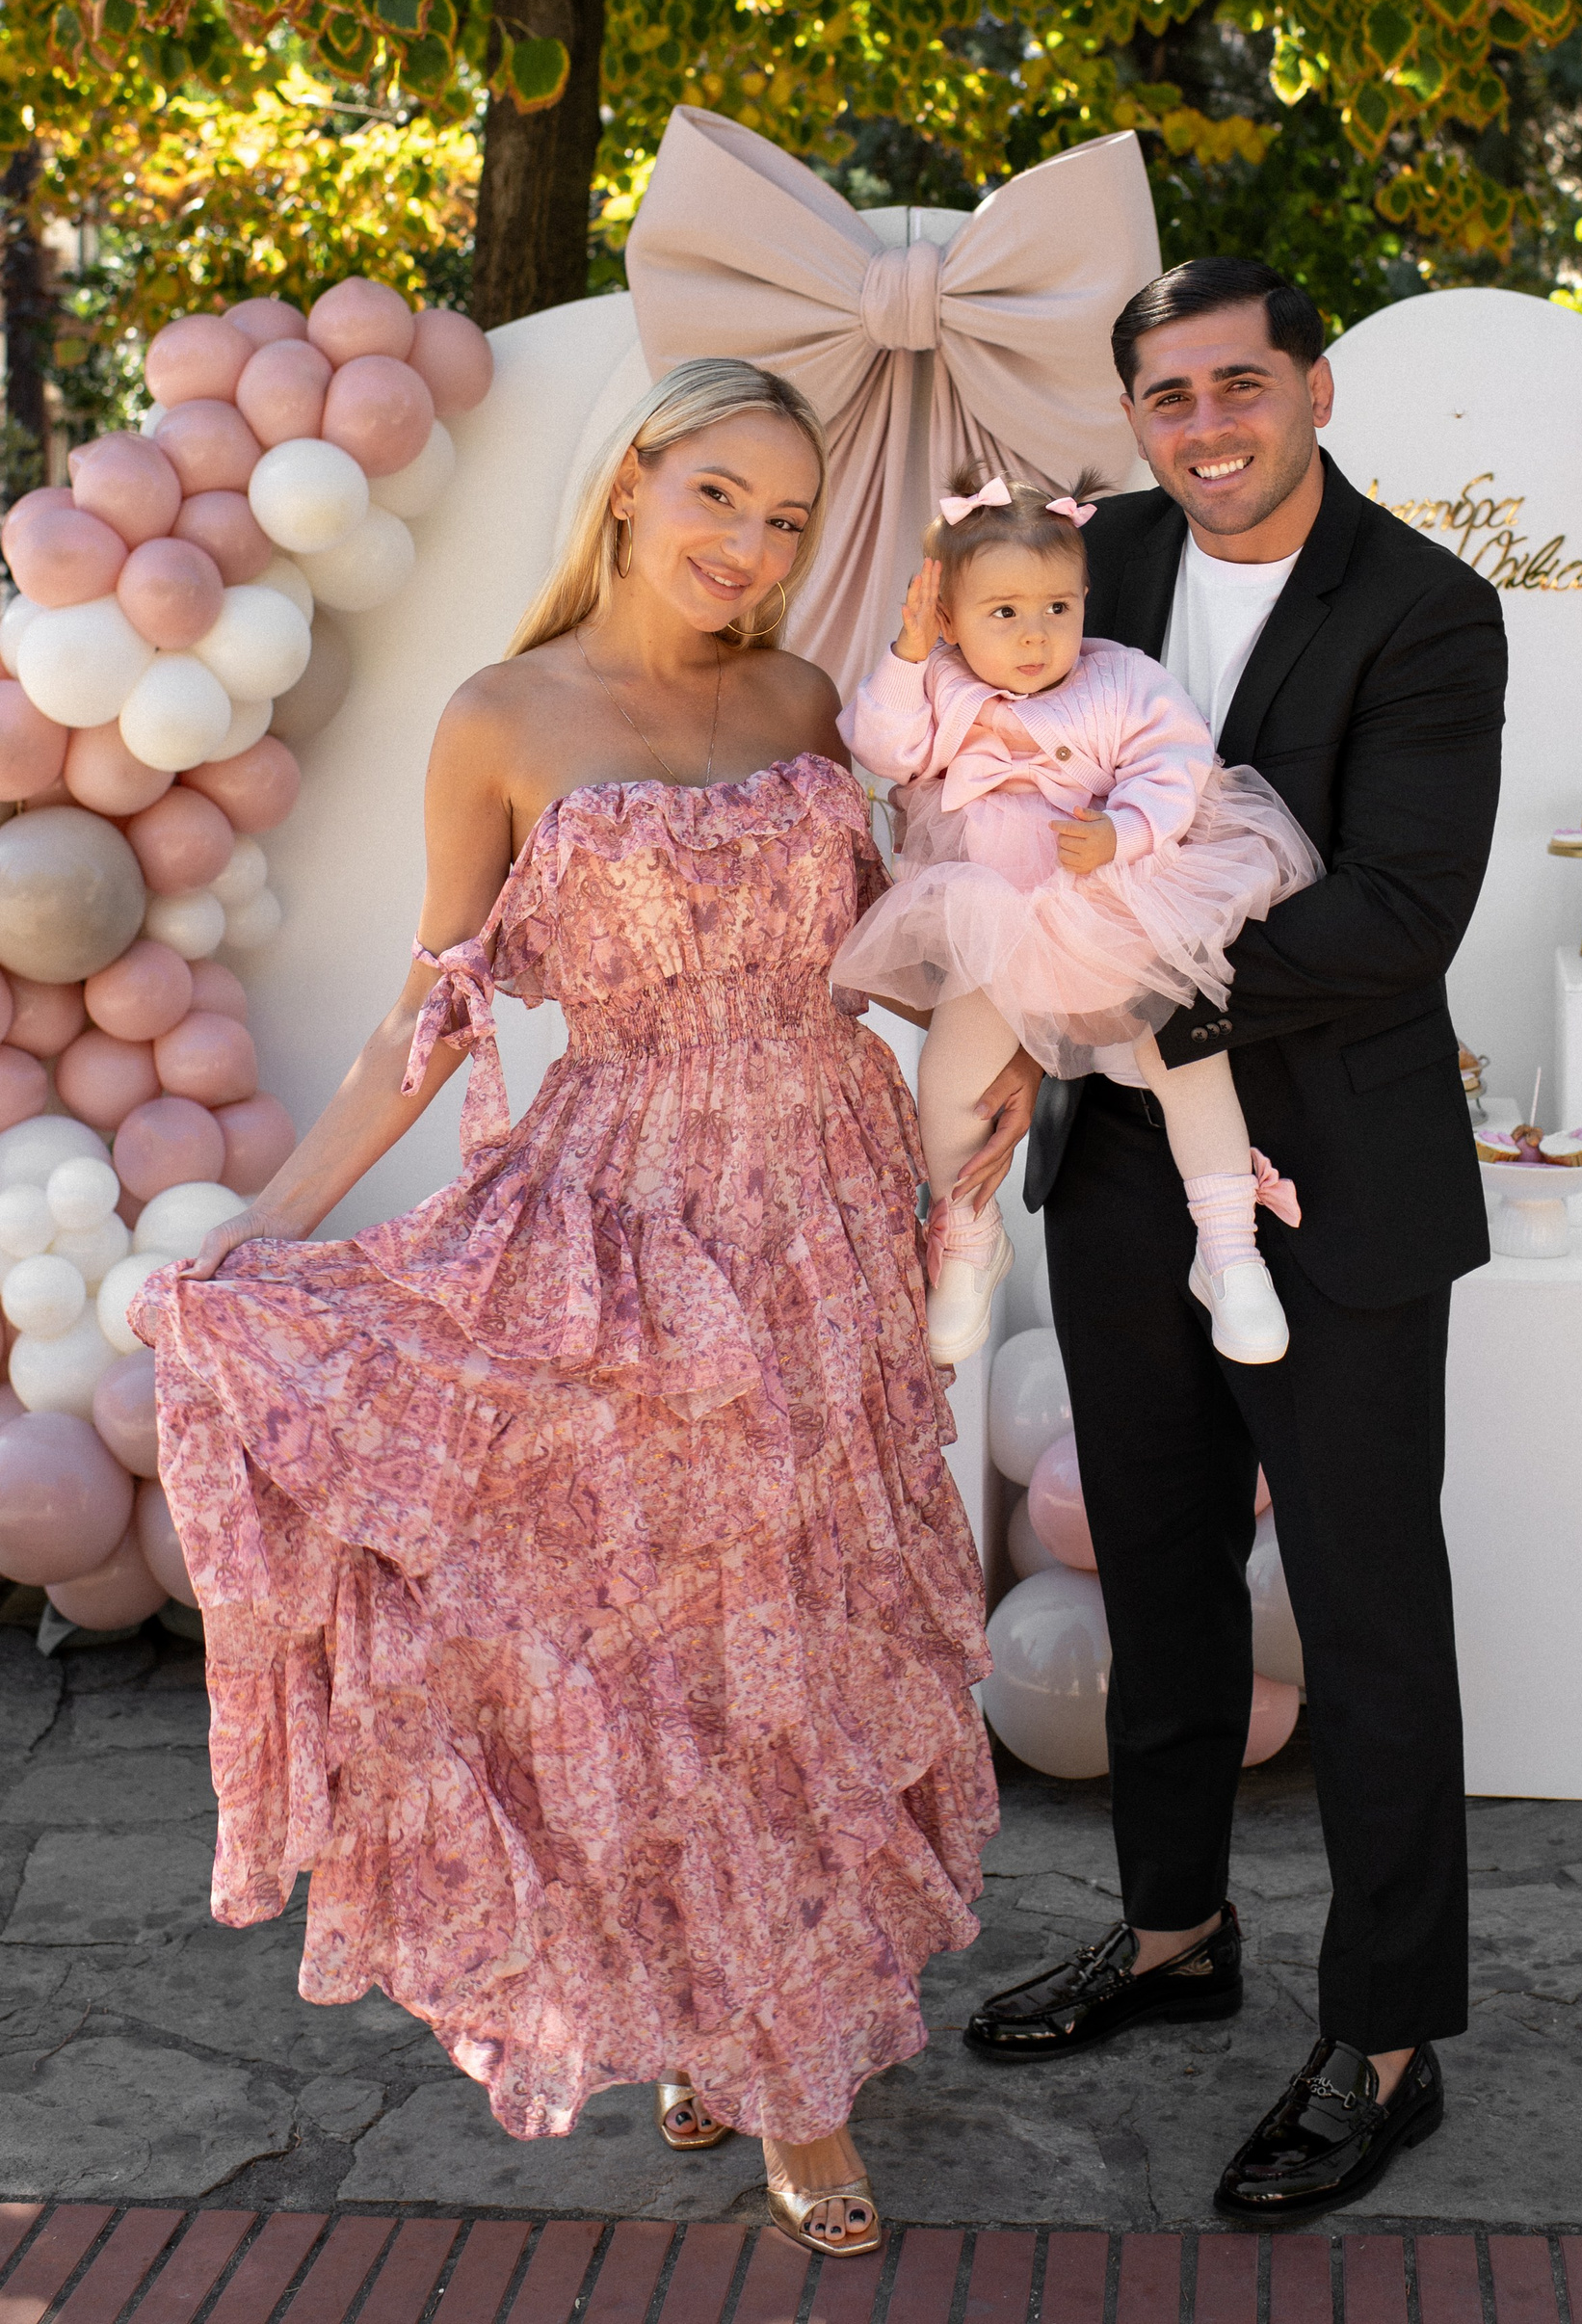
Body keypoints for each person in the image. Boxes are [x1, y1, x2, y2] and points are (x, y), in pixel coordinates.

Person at [131, 357, 997, 2261]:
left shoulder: (803, 701)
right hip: (622, 1237)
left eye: (787, 518)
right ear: (631, 483)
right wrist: (266, 1223)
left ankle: (759, 2034)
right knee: (666, 1657)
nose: (748, 545)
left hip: (826, 1223)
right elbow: (432, 1013)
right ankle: (766, 2053)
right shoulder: (504, 716)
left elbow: (879, 952)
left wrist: (1009, 1033)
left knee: (804, 1642)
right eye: (718, 497)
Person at [960, 258, 1508, 2226]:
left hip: (1338, 1174)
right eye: (1168, 396)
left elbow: (1399, 913)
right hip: (1121, 1165)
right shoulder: (1090, 564)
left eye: (1239, 384)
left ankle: (1388, 2038)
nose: (1206, 425)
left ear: (1315, 390)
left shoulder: (1425, 608)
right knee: (1160, 1567)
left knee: (1366, 1612)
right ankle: (1176, 1930)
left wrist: (1125, 993)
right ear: (1134, 418)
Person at [833, 465, 1321, 1367]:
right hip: (996, 921)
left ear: (1085, 600)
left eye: (1057, 607)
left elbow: (1178, 763)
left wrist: (1124, 830)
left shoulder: (1121, 678)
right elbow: (881, 747)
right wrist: (907, 654)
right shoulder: (939, 684)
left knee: (1185, 1054)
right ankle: (968, 1231)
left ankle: (1228, 1246)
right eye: (1004, 612)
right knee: (951, 1071)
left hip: (1113, 905)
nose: (1035, 634)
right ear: (951, 620)